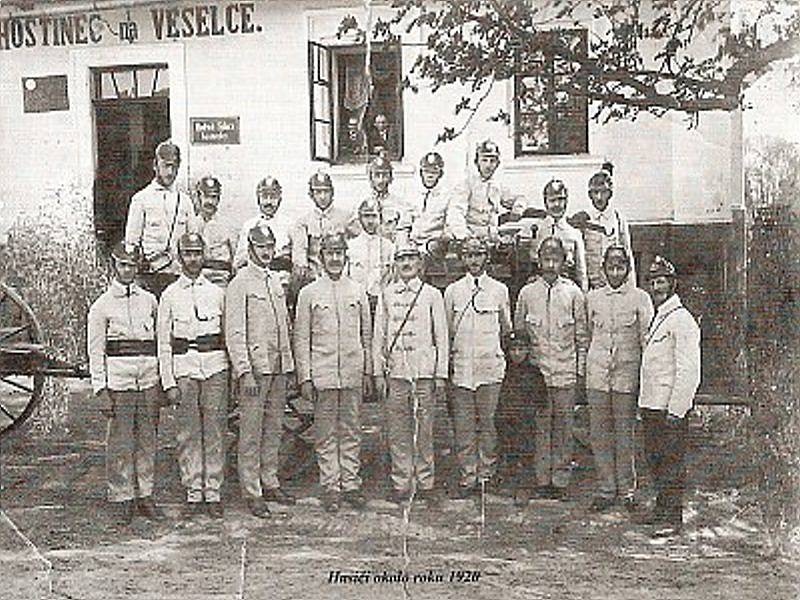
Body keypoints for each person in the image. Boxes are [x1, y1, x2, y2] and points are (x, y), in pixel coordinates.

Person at [294, 232, 373, 513]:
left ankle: (351, 483)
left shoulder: (358, 291)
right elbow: (301, 339)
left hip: (352, 371)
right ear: (321, 257)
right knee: (326, 432)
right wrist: (305, 376)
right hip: (323, 373)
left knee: (351, 429)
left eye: (339, 253)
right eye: (330, 253)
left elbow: (367, 334)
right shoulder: (309, 294)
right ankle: (331, 486)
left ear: (346, 256)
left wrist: (368, 372)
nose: (335, 258)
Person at [87, 243, 165, 526]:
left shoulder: (150, 301)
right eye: (123, 265)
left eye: (132, 265)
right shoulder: (102, 306)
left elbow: (159, 344)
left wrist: (159, 381)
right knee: (120, 443)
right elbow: (95, 352)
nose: (128, 270)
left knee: (146, 439)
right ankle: (121, 496)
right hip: (119, 383)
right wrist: (101, 389)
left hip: (146, 380)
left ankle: (145, 494)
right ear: (114, 266)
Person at [226, 226, 296, 518]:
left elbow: (284, 326)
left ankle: (270, 480)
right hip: (255, 370)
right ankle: (252, 490)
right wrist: (244, 371)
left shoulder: (275, 281)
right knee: (251, 432)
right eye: (261, 247)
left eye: (270, 246)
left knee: (274, 427)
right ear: (250, 249)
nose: (267, 252)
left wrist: (289, 365)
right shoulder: (240, 283)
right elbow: (235, 331)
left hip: (277, 367)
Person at [157, 233, 228, 519]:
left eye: (198, 252)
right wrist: (169, 382)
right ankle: (192, 491)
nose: (193, 258)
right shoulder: (170, 295)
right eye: (188, 253)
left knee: (214, 430)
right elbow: (163, 343)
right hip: (184, 368)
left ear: (204, 254)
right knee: (187, 433)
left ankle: (212, 491)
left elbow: (226, 336)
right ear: (179, 256)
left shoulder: (217, 293)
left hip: (214, 367)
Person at [373, 240, 449, 506]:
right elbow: (378, 336)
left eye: (411, 259)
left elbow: (441, 337)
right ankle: (401, 481)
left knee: (424, 429)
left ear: (419, 264)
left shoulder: (431, 295)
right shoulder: (386, 294)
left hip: (423, 371)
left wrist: (440, 374)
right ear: (395, 264)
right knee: (398, 430)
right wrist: (378, 373)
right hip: (396, 372)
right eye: (401, 259)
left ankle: (425, 482)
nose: (406, 264)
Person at [514, 237, 588, 499]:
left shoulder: (574, 293)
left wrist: (579, 373)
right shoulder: (527, 293)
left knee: (564, 428)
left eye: (556, 259)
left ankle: (561, 480)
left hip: (565, 372)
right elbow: (520, 336)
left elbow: (582, 338)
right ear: (538, 260)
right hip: (538, 375)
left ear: (564, 262)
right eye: (546, 258)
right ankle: (542, 480)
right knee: (541, 428)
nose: (550, 264)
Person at [585, 245, 653, 512]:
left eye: (620, 267)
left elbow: (645, 341)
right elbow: (585, 336)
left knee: (624, 434)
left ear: (627, 269)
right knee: (599, 434)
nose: (615, 272)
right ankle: (605, 488)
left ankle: (627, 490)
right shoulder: (592, 298)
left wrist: (643, 378)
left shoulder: (640, 299)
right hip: (597, 376)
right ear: (603, 268)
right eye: (610, 267)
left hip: (626, 376)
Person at [444, 236, 512, 497]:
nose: (474, 260)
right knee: (463, 427)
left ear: (487, 257)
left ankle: (486, 473)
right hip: (462, 369)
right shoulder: (452, 291)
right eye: (469, 255)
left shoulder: (498, 290)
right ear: (462, 259)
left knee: (489, 425)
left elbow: (506, 330)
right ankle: (468, 475)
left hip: (490, 369)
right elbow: (449, 331)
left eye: (479, 254)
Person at [638, 255, 701, 538]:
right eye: (652, 282)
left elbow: (688, 369)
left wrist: (677, 409)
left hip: (669, 407)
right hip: (652, 404)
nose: (656, 287)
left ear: (672, 284)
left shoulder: (682, 320)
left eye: (661, 281)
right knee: (656, 460)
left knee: (671, 463)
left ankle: (672, 518)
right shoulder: (659, 316)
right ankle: (662, 510)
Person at [124, 140, 194, 296]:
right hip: (149, 278)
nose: (170, 172)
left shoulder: (185, 201)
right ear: (155, 165)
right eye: (166, 166)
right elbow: (131, 244)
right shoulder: (141, 199)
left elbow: (192, 240)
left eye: (174, 167)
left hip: (178, 277)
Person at [495, 330, 546, 507]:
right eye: (513, 349)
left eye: (521, 349)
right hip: (506, 418)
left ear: (528, 350)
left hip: (526, 421)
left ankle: (524, 486)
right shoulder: (502, 370)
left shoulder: (534, 372)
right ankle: (510, 480)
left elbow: (541, 398)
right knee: (508, 449)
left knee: (526, 451)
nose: (516, 353)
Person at [444, 140, 517, 241]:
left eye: (492, 161)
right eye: (484, 160)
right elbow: (455, 213)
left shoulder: (497, 185)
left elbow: (515, 199)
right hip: (470, 239)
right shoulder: (466, 185)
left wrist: (518, 207)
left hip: (490, 239)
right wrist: (465, 236)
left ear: (497, 164)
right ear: (476, 162)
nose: (488, 165)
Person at [579, 166, 635, 290]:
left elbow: (627, 252)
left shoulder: (618, 219)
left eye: (603, 192)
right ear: (590, 195)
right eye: (595, 192)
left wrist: (630, 287)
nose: (599, 197)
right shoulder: (585, 220)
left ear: (610, 193)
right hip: (592, 286)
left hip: (615, 284)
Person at [291, 170, 350, 283]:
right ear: (311, 195)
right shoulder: (303, 222)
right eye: (318, 192)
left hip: (341, 277)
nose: (322, 197)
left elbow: (358, 246)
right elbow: (300, 253)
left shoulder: (346, 217)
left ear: (332, 193)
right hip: (315, 279)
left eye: (326, 191)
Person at [533, 179, 588, 291]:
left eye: (561, 200)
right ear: (545, 202)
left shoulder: (574, 234)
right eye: (552, 200)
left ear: (566, 201)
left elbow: (581, 272)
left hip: (567, 292)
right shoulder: (537, 231)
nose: (557, 205)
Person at [347, 154, 416, 241]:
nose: (381, 180)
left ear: (390, 178)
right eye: (377, 175)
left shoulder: (400, 205)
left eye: (384, 175)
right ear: (370, 178)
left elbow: (403, 233)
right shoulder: (360, 204)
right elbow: (353, 230)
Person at [233, 177, 293, 274]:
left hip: (281, 279)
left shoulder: (290, 225)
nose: (269, 202)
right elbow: (239, 262)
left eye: (273, 197)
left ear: (280, 199)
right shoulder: (249, 226)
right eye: (264, 197)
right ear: (258, 199)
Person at [347, 198, 396, 314]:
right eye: (366, 216)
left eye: (374, 216)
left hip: (381, 304)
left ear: (380, 218)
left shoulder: (388, 247)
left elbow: (393, 278)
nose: (370, 221)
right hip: (356, 302)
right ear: (359, 218)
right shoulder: (351, 246)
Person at [193, 175, 238, 287]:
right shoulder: (191, 224)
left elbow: (236, 258)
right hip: (198, 279)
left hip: (222, 279)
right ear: (199, 197)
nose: (210, 202)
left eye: (214, 197)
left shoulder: (228, 225)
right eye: (206, 196)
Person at [410, 151, 450, 251]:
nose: (430, 176)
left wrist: (440, 240)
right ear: (421, 173)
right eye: (426, 171)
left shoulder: (447, 196)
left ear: (440, 174)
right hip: (413, 243)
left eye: (434, 172)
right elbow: (406, 221)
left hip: (434, 245)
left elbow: (450, 225)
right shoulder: (413, 194)